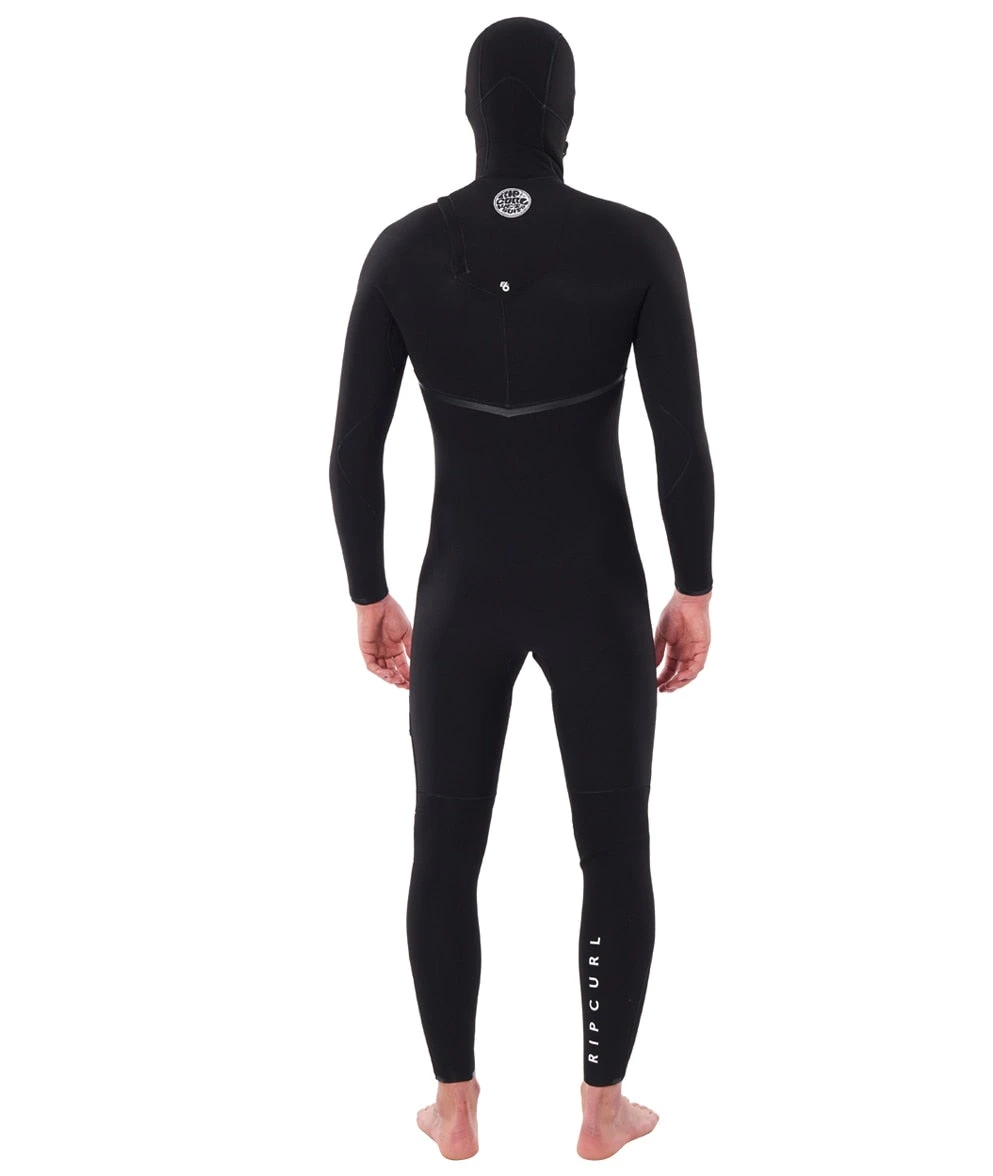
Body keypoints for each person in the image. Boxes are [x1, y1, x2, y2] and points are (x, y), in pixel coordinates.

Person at [328, 16, 714, 1161]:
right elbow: (681, 439)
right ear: (567, 114)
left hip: (461, 591)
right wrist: (694, 586)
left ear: (470, 110)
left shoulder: (404, 250)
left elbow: (352, 451)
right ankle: (602, 1110)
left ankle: (454, 1108)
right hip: (597, 587)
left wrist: (369, 592)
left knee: (444, 847)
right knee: (616, 845)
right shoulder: (634, 244)